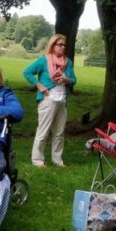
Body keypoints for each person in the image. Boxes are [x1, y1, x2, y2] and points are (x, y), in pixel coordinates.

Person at [23, 33, 76, 167]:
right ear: (52, 46)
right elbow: (27, 72)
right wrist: (39, 85)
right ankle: (37, 160)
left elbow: (74, 80)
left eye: (64, 45)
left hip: (62, 100)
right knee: (43, 131)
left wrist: (66, 79)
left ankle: (57, 160)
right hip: (48, 99)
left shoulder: (67, 62)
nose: (63, 47)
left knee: (59, 132)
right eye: (60, 45)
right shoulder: (44, 60)